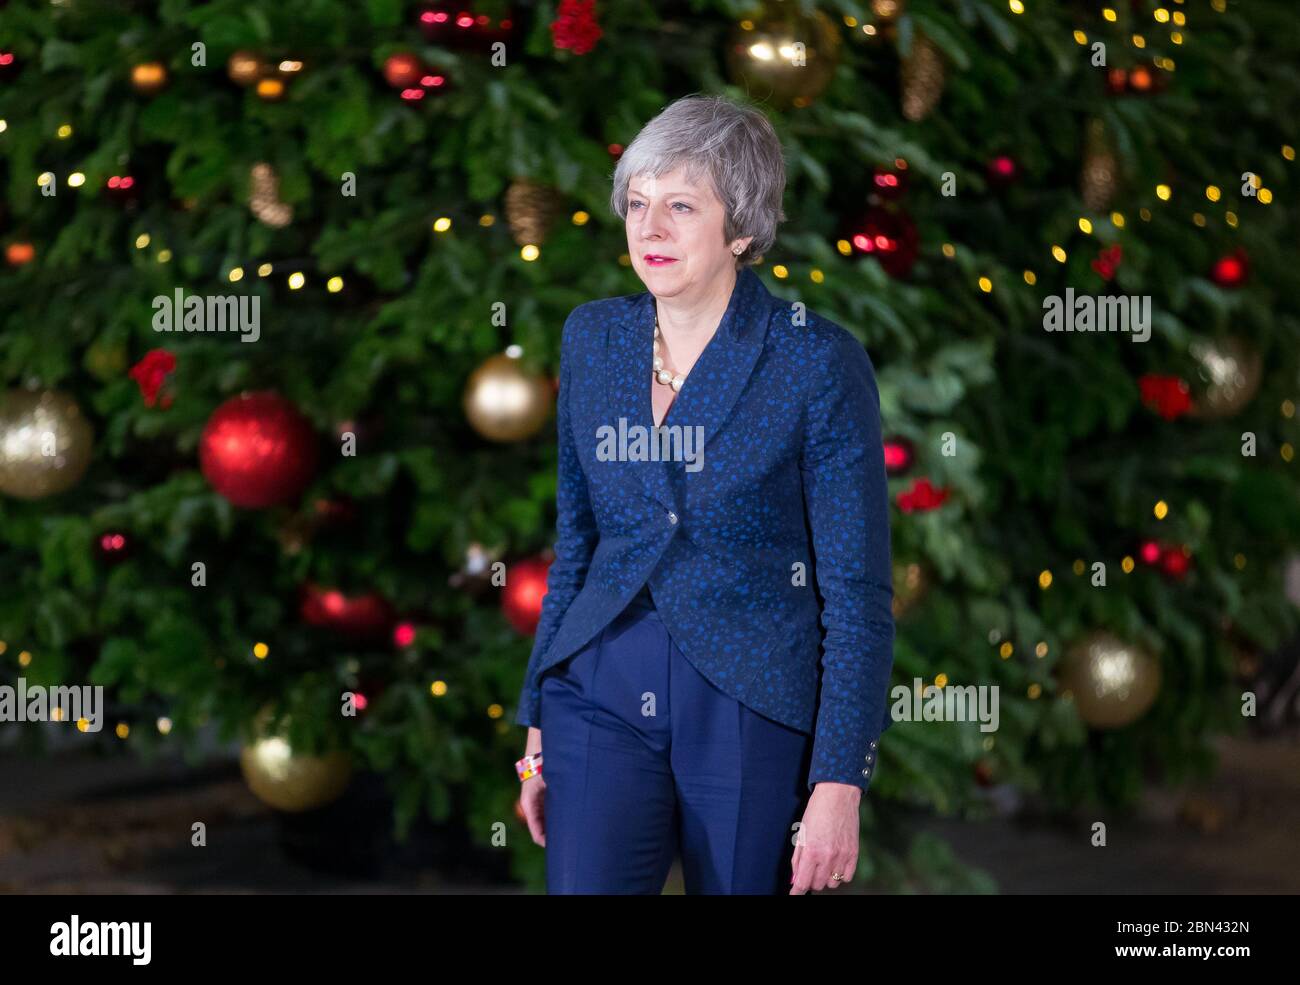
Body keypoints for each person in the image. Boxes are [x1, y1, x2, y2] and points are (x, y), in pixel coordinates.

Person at [513, 94, 894, 894]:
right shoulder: (592, 336)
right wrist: (537, 719)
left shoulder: (816, 363)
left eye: (681, 206)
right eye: (639, 203)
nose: (649, 229)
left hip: (750, 702)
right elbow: (577, 541)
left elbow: (857, 595)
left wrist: (839, 781)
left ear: (743, 228)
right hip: (599, 690)